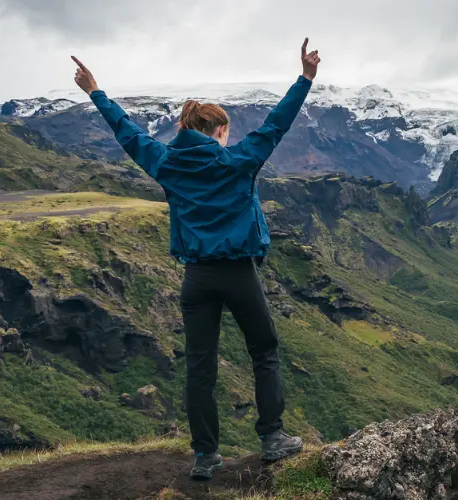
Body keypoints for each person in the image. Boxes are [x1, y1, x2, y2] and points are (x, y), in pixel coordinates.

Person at [72, 39, 322, 480]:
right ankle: (272, 438)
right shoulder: (238, 161)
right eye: (227, 131)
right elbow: (276, 125)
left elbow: (127, 132)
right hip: (239, 273)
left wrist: (95, 91)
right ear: (219, 131)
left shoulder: (166, 163)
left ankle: (205, 458)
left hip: (197, 279)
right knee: (263, 351)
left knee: (200, 367)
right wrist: (304, 79)